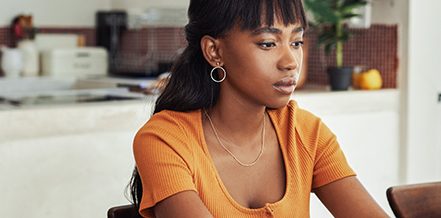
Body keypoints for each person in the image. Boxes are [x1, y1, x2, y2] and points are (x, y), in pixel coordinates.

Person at [129, 0, 389, 217]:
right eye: (268, 43)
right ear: (214, 51)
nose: (290, 62)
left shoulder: (306, 133)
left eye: (296, 42)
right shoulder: (164, 140)